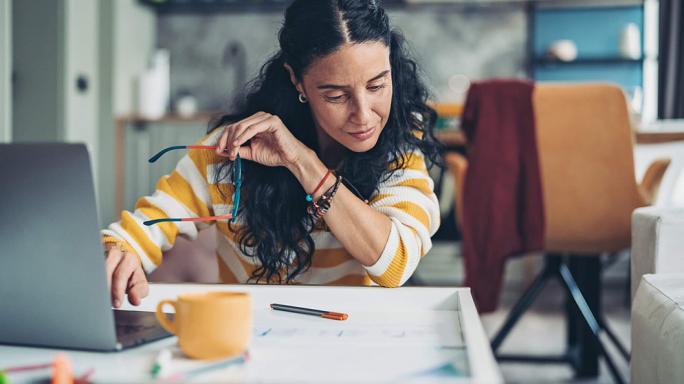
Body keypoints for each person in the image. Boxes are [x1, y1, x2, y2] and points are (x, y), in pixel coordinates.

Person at [102, 0, 443, 308]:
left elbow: (395, 263)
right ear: (297, 82)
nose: (365, 115)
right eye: (336, 96)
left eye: (377, 85)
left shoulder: (401, 147)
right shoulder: (234, 148)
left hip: (348, 338)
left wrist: (302, 161)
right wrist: (120, 251)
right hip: (249, 339)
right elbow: (143, 227)